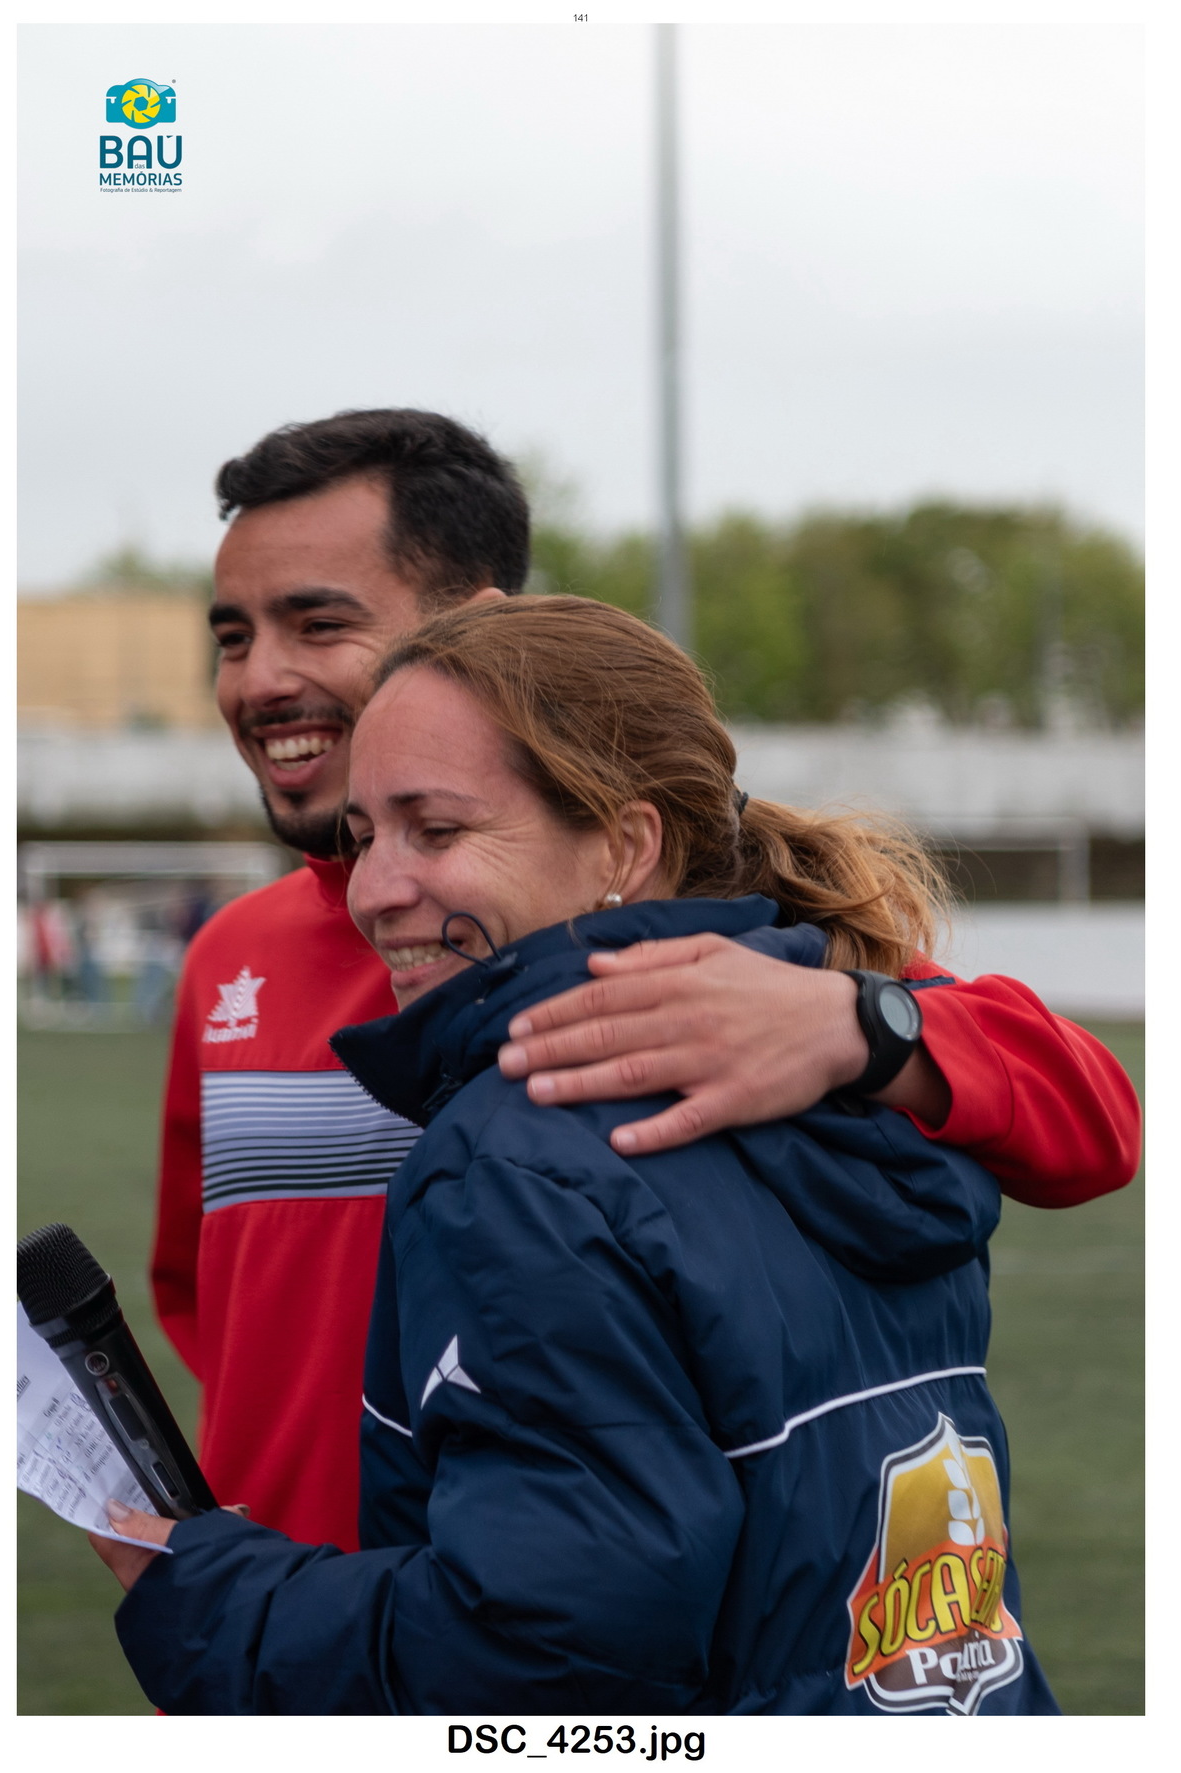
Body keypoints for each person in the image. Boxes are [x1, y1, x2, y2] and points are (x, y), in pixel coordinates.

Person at [154, 407, 1141, 1554]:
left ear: (478, 627)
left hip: (509, 1630)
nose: (261, 679)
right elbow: (205, 1304)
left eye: (318, 623)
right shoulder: (228, 958)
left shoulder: (689, 949)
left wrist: (853, 1023)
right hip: (275, 1636)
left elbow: (1096, 1123)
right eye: (233, 638)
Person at [100, 598, 1059, 1716]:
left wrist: (218, 1599)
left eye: (436, 830)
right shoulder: (865, 1056)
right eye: (363, 836)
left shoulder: (518, 1157)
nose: (372, 891)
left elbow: (549, 1660)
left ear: (624, 848)